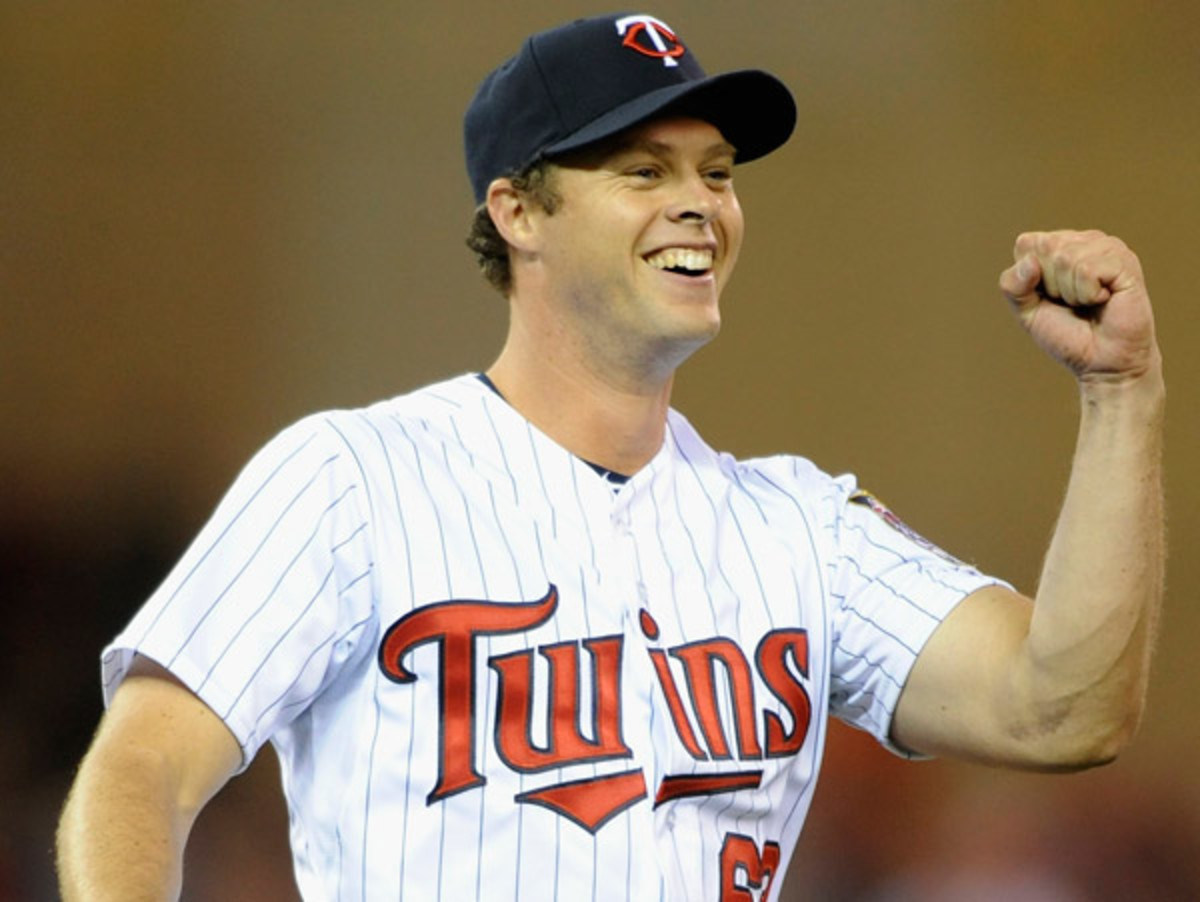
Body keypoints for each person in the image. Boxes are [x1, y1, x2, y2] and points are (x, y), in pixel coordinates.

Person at [56, 12, 1164, 901]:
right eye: (642, 169)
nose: (699, 201)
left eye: (718, 170)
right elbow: (142, 766)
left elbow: (1062, 707)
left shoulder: (795, 526)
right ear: (517, 210)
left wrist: (1121, 394)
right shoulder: (354, 478)